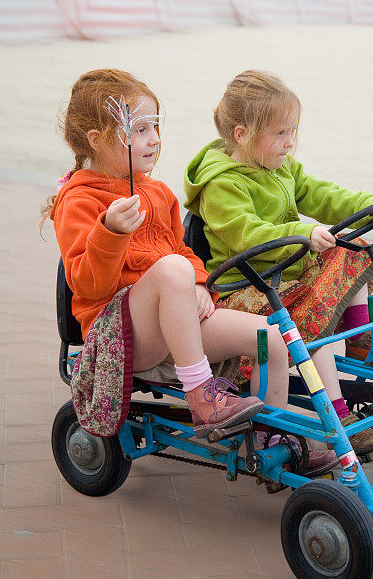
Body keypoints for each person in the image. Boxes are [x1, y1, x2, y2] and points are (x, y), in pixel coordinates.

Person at [42, 68, 338, 476]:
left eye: (155, 127)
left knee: (274, 339)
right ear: (97, 140)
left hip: (173, 326)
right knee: (169, 269)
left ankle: (270, 443)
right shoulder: (78, 200)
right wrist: (109, 232)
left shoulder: (158, 193)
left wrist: (198, 282)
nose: (155, 139)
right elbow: (88, 284)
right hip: (121, 335)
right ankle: (202, 396)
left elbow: (183, 251)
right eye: (141, 129)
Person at [184, 70, 373, 456]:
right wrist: (303, 233)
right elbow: (248, 234)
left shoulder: (281, 167)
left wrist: (367, 206)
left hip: (287, 275)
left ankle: (361, 342)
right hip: (248, 288)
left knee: (353, 246)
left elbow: (320, 194)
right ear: (241, 134)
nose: (289, 143)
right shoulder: (222, 185)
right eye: (280, 133)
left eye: (293, 132)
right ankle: (339, 420)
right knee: (315, 325)